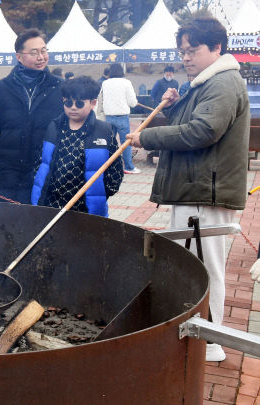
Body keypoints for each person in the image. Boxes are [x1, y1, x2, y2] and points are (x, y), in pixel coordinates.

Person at [126, 17, 250, 362]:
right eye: (182, 51)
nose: (186, 57)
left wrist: (146, 137)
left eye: (193, 50)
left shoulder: (223, 82)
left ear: (216, 48)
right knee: (191, 265)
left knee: (205, 270)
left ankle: (210, 343)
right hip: (193, 190)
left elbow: (202, 131)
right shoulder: (206, 83)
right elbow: (190, 123)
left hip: (204, 194)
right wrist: (176, 102)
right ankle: (196, 335)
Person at [0, 28, 63, 204]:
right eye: (34, 53)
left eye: (44, 51)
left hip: (45, 169)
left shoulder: (58, 86)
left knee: (41, 221)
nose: (41, 57)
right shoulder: (2, 87)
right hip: (8, 171)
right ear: (19, 57)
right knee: (6, 222)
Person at [32, 76, 123, 216]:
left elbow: (115, 170)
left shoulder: (105, 131)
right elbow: (41, 161)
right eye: (68, 103)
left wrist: (100, 193)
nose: (73, 108)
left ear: (93, 103)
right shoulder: (53, 127)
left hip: (86, 207)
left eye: (79, 104)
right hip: (51, 203)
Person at [98, 63, 139, 174]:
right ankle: (129, 167)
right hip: (122, 117)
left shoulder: (105, 83)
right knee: (126, 143)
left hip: (109, 117)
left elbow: (101, 100)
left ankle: (108, 167)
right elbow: (132, 102)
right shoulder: (126, 82)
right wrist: (135, 102)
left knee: (109, 143)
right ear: (122, 71)